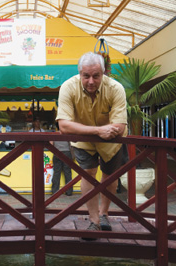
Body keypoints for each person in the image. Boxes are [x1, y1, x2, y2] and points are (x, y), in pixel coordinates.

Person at [56, 52, 128, 240]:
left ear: (103, 73)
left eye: (96, 76)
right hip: (84, 139)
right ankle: (94, 220)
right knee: (88, 173)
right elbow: (63, 125)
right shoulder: (68, 87)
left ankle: (104, 214)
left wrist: (106, 131)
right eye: (86, 75)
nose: (90, 81)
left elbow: (119, 126)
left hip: (112, 140)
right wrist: (97, 131)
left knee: (109, 176)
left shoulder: (116, 88)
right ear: (79, 73)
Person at [51, 123, 73, 196]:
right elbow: (71, 144)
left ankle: (55, 191)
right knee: (67, 173)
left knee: (57, 172)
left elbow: (50, 144)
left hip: (57, 153)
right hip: (67, 153)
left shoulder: (54, 134)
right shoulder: (67, 134)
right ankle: (69, 192)